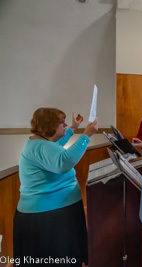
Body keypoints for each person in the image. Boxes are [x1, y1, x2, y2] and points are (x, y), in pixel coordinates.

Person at [13, 108, 98, 267]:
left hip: (51, 212)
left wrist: (73, 128)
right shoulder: (40, 146)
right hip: (47, 216)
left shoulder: (41, 142)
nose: (65, 124)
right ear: (48, 125)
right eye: (61, 122)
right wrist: (86, 135)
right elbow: (63, 162)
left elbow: (58, 143)